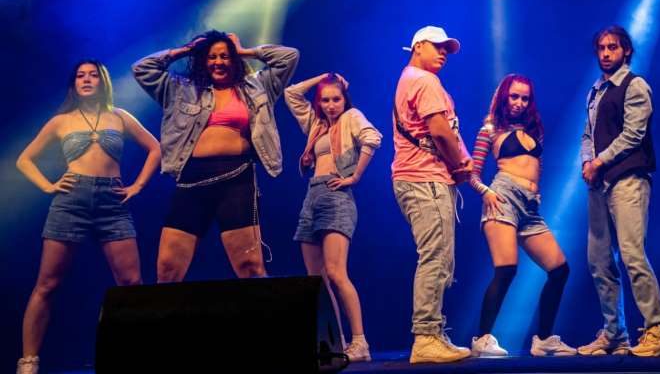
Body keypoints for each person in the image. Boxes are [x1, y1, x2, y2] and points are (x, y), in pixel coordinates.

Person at [16, 60, 160, 374]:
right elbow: (24, 160)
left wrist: (137, 186)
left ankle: (137, 356)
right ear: (73, 84)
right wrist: (48, 186)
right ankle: (28, 361)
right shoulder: (61, 121)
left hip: (112, 201)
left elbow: (155, 148)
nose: (87, 79)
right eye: (81, 75)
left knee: (131, 283)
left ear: (103, 82)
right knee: (47, 284)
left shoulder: (119, 116)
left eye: (93, 75)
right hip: (71, 200)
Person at [132, 30, 298, 281]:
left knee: (250, 267)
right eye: (211, 57)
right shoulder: (181, 90)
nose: (218, 62)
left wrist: (244, 51)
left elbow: (289, 56)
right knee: (168, 268)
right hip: (192, 180)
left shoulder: (257, 87)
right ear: (203, 60)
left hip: (237, 180)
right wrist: (185, 50)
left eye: (225, 56)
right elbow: (142, 69)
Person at [579, 25, 660, 357]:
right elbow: (588, 134)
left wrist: (598, 161)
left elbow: (634, 134)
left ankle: (656, 331)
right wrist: (587, 163)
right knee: (599, 260)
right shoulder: (596, 91)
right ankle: (614, 334)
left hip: (628, 179)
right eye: (601, 48)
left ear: (626, 51)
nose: (606, 53)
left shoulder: (634, 85)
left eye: (613, 47)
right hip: (599, 183)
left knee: (632, 255)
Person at [468, 74, 576, 357]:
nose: (519, 103)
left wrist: (536, 193)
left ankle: (544, 340)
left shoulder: (534, 130)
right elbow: (472, 173)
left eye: (525, 98)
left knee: (560, 269)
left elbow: (536, 167)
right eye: (514, 96)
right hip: (502, 198)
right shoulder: (490, 128)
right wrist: (485, 192)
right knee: (506, 269)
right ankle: (482, 339)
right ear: (504, 96)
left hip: (530, 208)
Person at [284, 72, 381, 362]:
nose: (330, 105)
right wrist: (324, 78)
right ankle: (335, 342)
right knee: (316, 279)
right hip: (312, 195)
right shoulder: (315, 124)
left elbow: (373, 138)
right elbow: (291, 94)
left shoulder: (351, 116)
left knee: (337, 273)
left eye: (336, 99)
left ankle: (360, 342)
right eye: (325, 100)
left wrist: (354, 177)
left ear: (344, 99)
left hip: (336, 195)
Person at [392, 25, 473, 364]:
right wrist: (459, 164)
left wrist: (461, 160)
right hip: (425, 178)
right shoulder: (425, 81)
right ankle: (426, 336)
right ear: (418, 46)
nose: (443, 53)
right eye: (437, 46)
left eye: (447, 49)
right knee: (435, 257)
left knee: (439, 258)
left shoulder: (410, 79)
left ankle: (434, 333)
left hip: (419, 178)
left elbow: (443, 130)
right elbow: (440, 131)